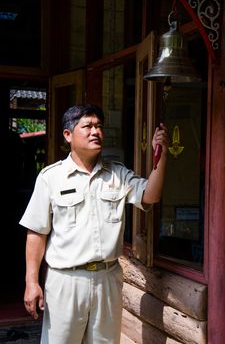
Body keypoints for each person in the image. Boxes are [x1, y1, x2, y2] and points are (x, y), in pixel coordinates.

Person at [20, 104, 169, 344]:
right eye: (87, 126)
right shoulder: (51, 177)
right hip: (66, 282)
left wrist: (161, 156)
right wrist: (31, 282)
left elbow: (150, 195)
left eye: (99, 126)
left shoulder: (117, 175)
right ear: (68, 135)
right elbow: (36, 232)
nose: (95, 131)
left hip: (107, 279)